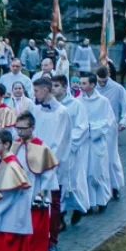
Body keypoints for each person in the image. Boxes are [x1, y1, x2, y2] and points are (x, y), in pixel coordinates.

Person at [12, 111, 59, 251]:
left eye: (23, 128)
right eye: (17, 128)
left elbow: (48, 173)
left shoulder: (41, 147)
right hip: (17, 192)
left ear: (32, 128)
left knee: (35, 228)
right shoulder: (15, 144)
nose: (19, 131)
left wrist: (42, 191)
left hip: (35, 190)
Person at [31, 77, 70, 251]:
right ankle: (35, 240)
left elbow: (60, 142)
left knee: (53, 203)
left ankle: (52, 240)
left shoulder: (62, 112)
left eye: (37, 91)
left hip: (52, 165)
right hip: (34, 164)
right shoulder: (35, 110)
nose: (34, 94)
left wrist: (47, 162)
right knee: (35, 203)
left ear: (45, 90)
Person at [51, 75, 90, 225]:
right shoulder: (50, 105)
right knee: (58, 185)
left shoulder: (76, 105)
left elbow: (82, 127)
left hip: (71, 152)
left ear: (64, 87)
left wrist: (67, 143)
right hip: (55, 153)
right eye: (51, 86)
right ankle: (59, 218)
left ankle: (78, 209)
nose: (52, 89)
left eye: (56, 86)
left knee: (73, 184)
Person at [78, 73, 115, 213]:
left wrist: (92, 128)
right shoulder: (78, 101)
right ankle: (88, 203)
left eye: (84, 83)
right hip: (83, 142)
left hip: (97, 141)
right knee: (85, 173)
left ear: (92, 85)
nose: (81, 86)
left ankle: (102, 200)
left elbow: (109, 120)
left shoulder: (103, 101)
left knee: (97, 172)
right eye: (81, 83)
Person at [94, 67, 126, 200]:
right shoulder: (92, 88)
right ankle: (97, 187)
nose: (102, 84)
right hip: (93, 129)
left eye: (104, 81)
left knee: (111, 157)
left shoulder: (117, 88)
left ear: (109, 76)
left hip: (110, 128)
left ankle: (115, 186)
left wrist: (124, 121)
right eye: (100, 81)